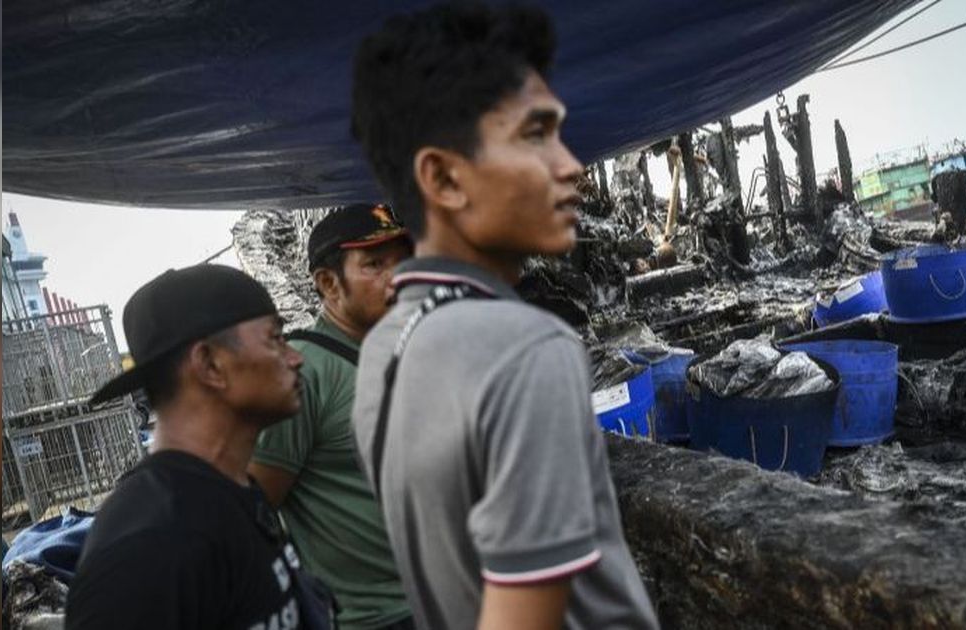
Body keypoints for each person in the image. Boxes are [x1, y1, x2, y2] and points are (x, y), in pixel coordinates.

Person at [349, 3, 659, 629]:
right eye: (535, 134)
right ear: (443, 178)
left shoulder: (383, 352)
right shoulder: (525, 347)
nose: (571, 164)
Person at [65, 264, 326, 630]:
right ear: (210, 365)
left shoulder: (234, 492)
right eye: (275, 338)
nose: (296, 357)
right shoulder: (148, 545)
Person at [249, 204, 414, 630]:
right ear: (328, 283)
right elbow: (255, 509)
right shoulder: (304, 371)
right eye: (375, 264)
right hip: (375, 619)